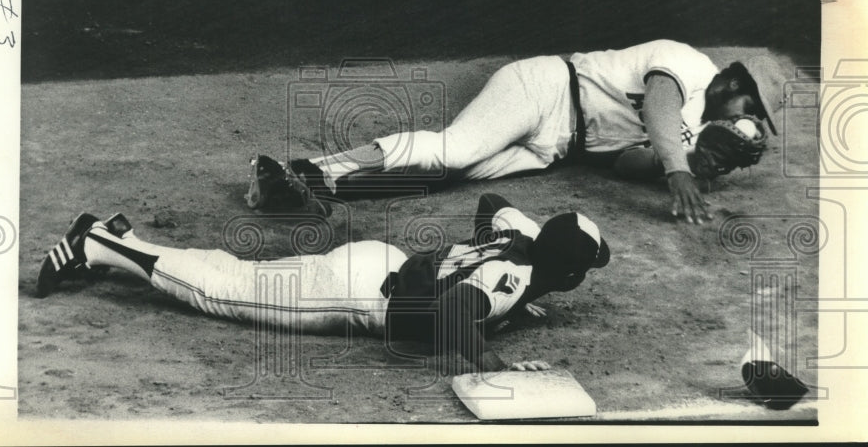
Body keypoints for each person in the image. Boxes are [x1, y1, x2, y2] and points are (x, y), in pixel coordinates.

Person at [36, 193, 610, 374]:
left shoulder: (521, 235)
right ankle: (98, 243)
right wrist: (494, 366)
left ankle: (122, 239)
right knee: (223, 292)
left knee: (236, 277)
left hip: (380, 261)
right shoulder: (511, 279)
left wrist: (503, 292)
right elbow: (459, 310)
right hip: (358, 293)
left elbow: (492, 208)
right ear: (567, 273)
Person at [247, 40, 785, 225]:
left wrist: (705, 165)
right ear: (734, 79)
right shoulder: (687, 64)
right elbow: (660, 112)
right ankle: (312, 168)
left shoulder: (692, 129)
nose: (748, 116)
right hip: (546, 87)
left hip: (556, 145)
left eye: (754, 118)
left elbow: (625, 160)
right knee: (455, 149)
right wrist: (680, 168)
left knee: (448, 174)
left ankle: (299, 186)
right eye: (750, 104)